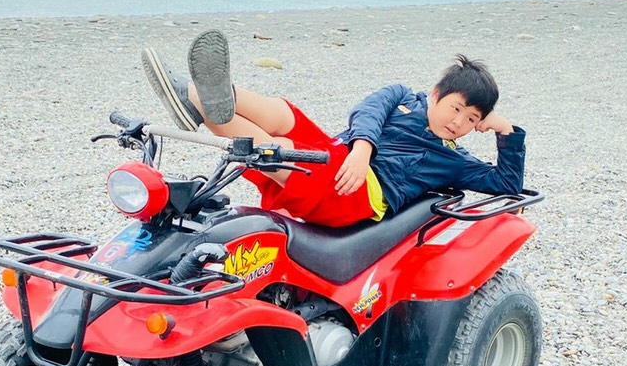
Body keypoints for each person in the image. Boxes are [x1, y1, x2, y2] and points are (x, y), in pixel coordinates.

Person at [141, 30, 526, 228]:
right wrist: (363, 150)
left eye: (472, 119)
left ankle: (193, 99)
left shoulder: (454, 159)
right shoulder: (402, 96)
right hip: (342, 154)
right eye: (456, 108)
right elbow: (368, 110)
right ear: (436, 94)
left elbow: (507, 185)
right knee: (286, 114)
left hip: (357, 195)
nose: (459, 123)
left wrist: (505, 130)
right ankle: (197, 95)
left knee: (278, 148)